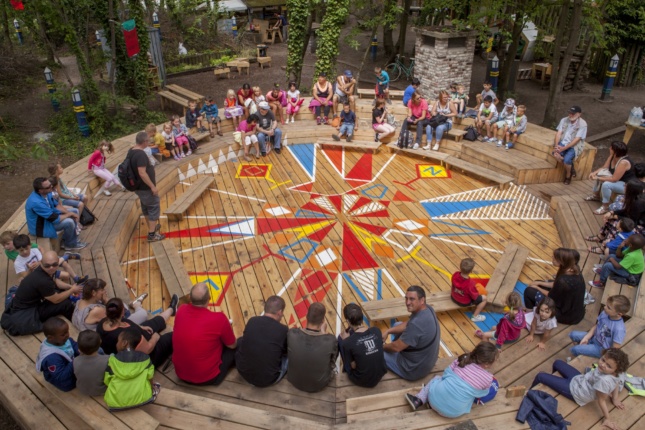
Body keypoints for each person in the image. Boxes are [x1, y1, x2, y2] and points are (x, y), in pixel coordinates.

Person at [530, 348, 629, 430]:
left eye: (608, 366)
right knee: (557, 362)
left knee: (540, 376)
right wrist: (615, 398)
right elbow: (616, 383)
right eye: (603, 360)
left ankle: (528, 395)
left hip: (576, 392)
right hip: (580, 379)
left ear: (615, 370)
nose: (603, 365)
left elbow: (602, 400)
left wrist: (607, 418)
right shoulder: (617, 374)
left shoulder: (604, 382)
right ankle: (552, 381)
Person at [404, 342, 499, 417]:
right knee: (469, 396)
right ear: (487, 364)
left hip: (434, 400)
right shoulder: (488, 378)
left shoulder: (464, 359)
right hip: (453, 413)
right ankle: (433, 401)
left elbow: (446, 374)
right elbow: (481, 394)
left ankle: (418, 399)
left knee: (437, 378)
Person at [1, 250, 82, 335]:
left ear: (58, 262)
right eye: (47, 265)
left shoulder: (44, 271)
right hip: (29, 311)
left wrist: (70, 288)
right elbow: (56, 300)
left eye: (54, 264)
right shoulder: (43, 280)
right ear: (41, 263)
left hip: (27, 303)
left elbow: (56, 282)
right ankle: (76, 323)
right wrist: (72, 290)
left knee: (61, 292)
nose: (51, 267)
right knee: (66, 304)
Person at [173, 282, 237, 385]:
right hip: (208, 378)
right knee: (237, 345)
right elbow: (232, 345)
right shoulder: (219, 319)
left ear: (190, 297)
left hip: (180, 375)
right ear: (209, 298)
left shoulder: (181, 310)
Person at [381, 286, 441, 381]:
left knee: (375, 351)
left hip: (413, 369)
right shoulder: (428, 309)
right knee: (397, 324)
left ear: (422, 300)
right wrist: (388, 331)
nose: (407, 302)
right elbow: (409, 323)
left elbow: (396, 347)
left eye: (412, 299)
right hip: (429, 359)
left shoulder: (416, 325)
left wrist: (382, 346)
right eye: (406, 298)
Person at [97, 297, 176, 367]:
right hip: (149, 355)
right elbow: (147, 349)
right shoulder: (127, 335)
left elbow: (127, 325)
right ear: (122, 313)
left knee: (155, 322)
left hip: (139, 335)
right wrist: (155, 337)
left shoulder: (102, 324)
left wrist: (141, 327)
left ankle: (172, 309)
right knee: (172, 336)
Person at [523, 248, 586, 325]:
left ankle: (529, 315)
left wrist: (536, 287)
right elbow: (555, 284)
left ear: (561, 261)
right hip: (575, 312)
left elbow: (550, 296)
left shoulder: (563, 281)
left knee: (529, 291)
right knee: (539, 283)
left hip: (564, 316)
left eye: (554, 258)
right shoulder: (575, 270)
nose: (552, 258)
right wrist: (539, 283)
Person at [235, 295, 288, 387]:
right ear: (279, 312)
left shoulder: (252, 321)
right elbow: (285, 351)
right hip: (268, 379)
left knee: (241, 340)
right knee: (288, 357)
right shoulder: (283, 330)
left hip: (243, 372)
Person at [104, 328, 160, 411]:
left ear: (124, 343)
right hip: (143, 399)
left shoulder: (112, 360)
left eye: (118, 341)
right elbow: (150, 377)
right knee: (157, 385)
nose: (116, 343)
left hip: (114, 403)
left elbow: (107, 380)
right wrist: (152, 387)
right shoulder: (145, 359)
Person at [287, 302, 338, 392]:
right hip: (319, 385)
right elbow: (332, 362)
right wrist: (323, 333)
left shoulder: (292, 334)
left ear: (307, 316)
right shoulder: (331, 340)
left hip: (293, 380)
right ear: (323, 320)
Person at [25, 177, 86, 250]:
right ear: (40, 190)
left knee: (75, 211)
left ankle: (68, 239)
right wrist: (69, 214)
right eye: (48, 187)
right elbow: (55, 219)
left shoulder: (47, 193)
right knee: (69, 222)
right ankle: (70, 244)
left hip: (48, 218)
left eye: (50, 185)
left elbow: (56, 206)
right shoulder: (36, 203)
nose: (51, 187)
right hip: (41, 227)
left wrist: (70, 213)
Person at [338, 303, 387, 388]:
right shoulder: (376, 331)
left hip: (362, 380)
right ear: (362, 317)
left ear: (348, 321)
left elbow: (353, 366)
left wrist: (345, 340)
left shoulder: (348, 342)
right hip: (380, 373)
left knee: (340, 340)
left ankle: (345, 371)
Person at [72, 278, 148, 332]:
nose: (104, 291)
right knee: (143, 314)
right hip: (106, 333)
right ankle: (137, 305)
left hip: (90, 331)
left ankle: (135, 304)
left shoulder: (80, 301)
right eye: (102, 290)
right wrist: (105, 300)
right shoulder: (96, 310)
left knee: (119, 303)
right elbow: (119, 316)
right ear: (93, 293)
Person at [129, 132, 165, 242]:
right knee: (154, 207)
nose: (149, 143)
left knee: (145, 207)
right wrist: (152, 187)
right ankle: (152, 234)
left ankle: (151, 227)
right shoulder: (140, 155)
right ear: (144, 142)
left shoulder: (131, 151)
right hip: (145, 188)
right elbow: (142, 173)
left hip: (138, 187)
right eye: (148, 141)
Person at [587, 180, 645, 249]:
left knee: (616, 224)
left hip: (640, 227)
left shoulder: (639, 203)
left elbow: (632, 222)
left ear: (631, 190)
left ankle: (604, 247)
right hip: (632, 221)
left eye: (626, 186)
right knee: (611, 218)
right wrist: (612, 213)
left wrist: (616, 216)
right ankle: (601, 237)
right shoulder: (633, 198)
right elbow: (626, 211)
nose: (624, 187)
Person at [12, 234, 86, 287]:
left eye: (26, 249)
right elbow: (25, 276)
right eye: (21, 250)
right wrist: (30, 269)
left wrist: (38, 263)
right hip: (38, 277)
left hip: (46, 269)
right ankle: (66, 257)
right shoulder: (18, 262)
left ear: (30, 245)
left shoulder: (34, 250)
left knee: (65, 272)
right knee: (62, 274)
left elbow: (43, 260)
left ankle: (75, 280)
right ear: (16, 250)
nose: (25, 252)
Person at [586, 141, 635, 214]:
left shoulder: (623, 162)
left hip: (626, 185)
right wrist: (595, 173)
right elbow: (605, 167)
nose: (609, 148)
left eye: (611, 148)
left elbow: (614, 179)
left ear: (615, 151)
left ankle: (605, 207)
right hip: (617, 180)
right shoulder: (612, 155)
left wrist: (597, 178)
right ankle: (596, 196)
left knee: (606, 184)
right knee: (599, 174)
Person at [36, 317, 79, 391]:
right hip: (62, 380)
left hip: (68, 363)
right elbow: (61, 376)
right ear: (50, 338)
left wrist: (82, 349)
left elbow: (73, 344)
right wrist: (76, 361)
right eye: (63, 334)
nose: (67, 335)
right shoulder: (52, 358)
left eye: (67, 332)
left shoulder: (61, 340)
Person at [554, 105, 588, 185]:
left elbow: (577, 140)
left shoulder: (583, 124)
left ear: (579, 114)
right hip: (563, 142)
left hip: (574, 145)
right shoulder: (564, 120)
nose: (571, 115)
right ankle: (571, 167)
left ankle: (568, 176)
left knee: (566, 160)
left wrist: (563, 148)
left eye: (573, 114)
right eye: (570, 113)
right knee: (555, 154)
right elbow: (559, 133)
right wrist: (556, 145)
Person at [74, 330, 109, 396]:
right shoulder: (107, 360)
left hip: (82, 389)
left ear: (79, 349)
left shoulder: (76, 360)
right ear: (100, 342)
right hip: (101, 390)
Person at [451, 258, 487, 322]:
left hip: (453, 296)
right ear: (471, 271)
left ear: (460, 267)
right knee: (484, 298)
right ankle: (475, 316)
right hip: (464, 302)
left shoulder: (455, 275)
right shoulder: (471, 283)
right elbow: (474, 296)